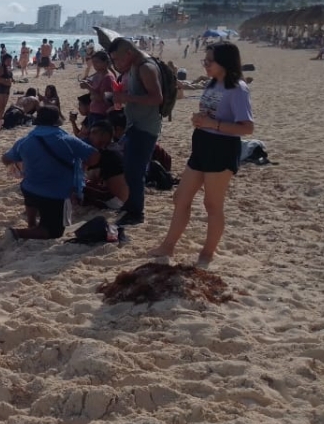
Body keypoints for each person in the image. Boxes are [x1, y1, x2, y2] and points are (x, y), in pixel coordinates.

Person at [149, 42, 253, 269]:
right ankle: (168, 245)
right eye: (204, 61)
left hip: (222, 148)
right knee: (181, 198)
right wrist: (200, 119)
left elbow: (247, 128)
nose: (205, 64)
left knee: (212, 204)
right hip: (202, 145)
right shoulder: (213, 83)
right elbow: (212, 114)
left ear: (224, 62)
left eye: (209, 61)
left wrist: (212, 123)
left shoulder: (237, 88)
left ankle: (207, 252)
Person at [1, 106, 98, 240]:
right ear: (57, 121)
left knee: (30, 191)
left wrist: (22, 166)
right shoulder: (67, 140)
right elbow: (94, 157)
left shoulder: (25, 141)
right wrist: (80, 165)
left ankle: (31, 223)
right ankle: (18, 233)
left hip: (29, 188)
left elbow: (5, 159)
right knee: (54, 232)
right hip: (55, 194)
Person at [108, 37, 163, 227]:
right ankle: (131, 203)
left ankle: (136, 212)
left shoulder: (145, 68)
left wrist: (126, 97)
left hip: (145, 127)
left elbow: (157, 98)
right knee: (128, 167)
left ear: (129, 54)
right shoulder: (133, 66)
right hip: (134, 125)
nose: (116, 64)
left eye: (118, 59)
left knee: (135, 171)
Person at [81, 121, 129, 210]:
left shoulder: (103, 154)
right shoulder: (115, 150)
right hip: (125, 199)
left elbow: (90, 176)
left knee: (77, 185)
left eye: (93, 133)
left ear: (102, 136)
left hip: (116, 201)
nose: (89, 136)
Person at [81, 50, 116, 127]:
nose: (94, 65)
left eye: (97, 62)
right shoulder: (98, 74)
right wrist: (87, 84)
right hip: (93, 110)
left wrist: (88, 87)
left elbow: (101, 97)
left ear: (105, 62)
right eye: (93, 62)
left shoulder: (108, 77)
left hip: (101, 113)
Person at [0, 54, 14, 132]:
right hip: (1, 87)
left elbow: (10, 77)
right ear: (4, 60)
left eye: (10, 60)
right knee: (1, 104)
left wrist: (12, 80)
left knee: (4, 105)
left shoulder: (8, 68)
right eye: (8, 60)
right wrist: (3, 81)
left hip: (7, 88)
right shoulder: (1, 68)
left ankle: (0, 119)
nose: (9, 62)